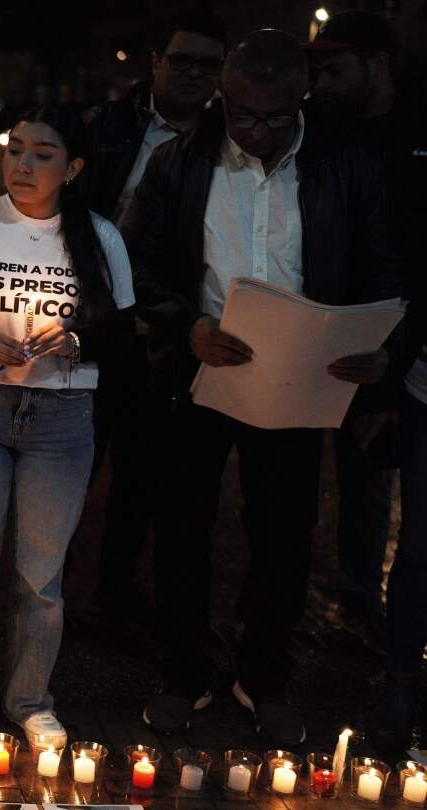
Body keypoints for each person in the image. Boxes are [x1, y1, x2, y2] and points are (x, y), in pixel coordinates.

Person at [122, 29, 401, 745]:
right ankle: (183, 671)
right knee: (182, 525)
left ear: (301, 100)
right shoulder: (181, 160)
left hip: (300, 379)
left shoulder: (343, 162)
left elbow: (378, 261)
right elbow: (133, 260)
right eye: (244, 115)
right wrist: (186, 326)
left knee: (284, 534)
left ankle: (265, 675)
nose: (259, 132)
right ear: (223, 97)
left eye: (278, 117)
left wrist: (378, 348)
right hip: (200, 372)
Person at [0, 106, 135, 749]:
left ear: (74, 168)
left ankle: (31, 699)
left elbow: (124, 338)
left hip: (61, 419)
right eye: (15, 150)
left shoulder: (99, 238)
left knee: (41, 576)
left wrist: (76, 342)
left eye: (42, 154)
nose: (23, 165)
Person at [78, 11, 225, 621]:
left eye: (208, 65)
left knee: (141, 474)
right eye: (182, 60)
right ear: (156, 63)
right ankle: (45, 595)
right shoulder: (106, 125)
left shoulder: (224, 142)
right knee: (70, 465)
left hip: (164, 336)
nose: (194, 73)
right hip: (92, 328)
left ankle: (114, 596)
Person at [307, 9, 427, 755]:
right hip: (330, 332)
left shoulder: (413, 132)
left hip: (402, 346)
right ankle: (349, 603)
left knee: (385, 489)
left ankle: (369, 612)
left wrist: (394, 364)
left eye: (334, 70)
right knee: (333, 477)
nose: (322, 84)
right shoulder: (327, 132)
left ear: (378, 63)